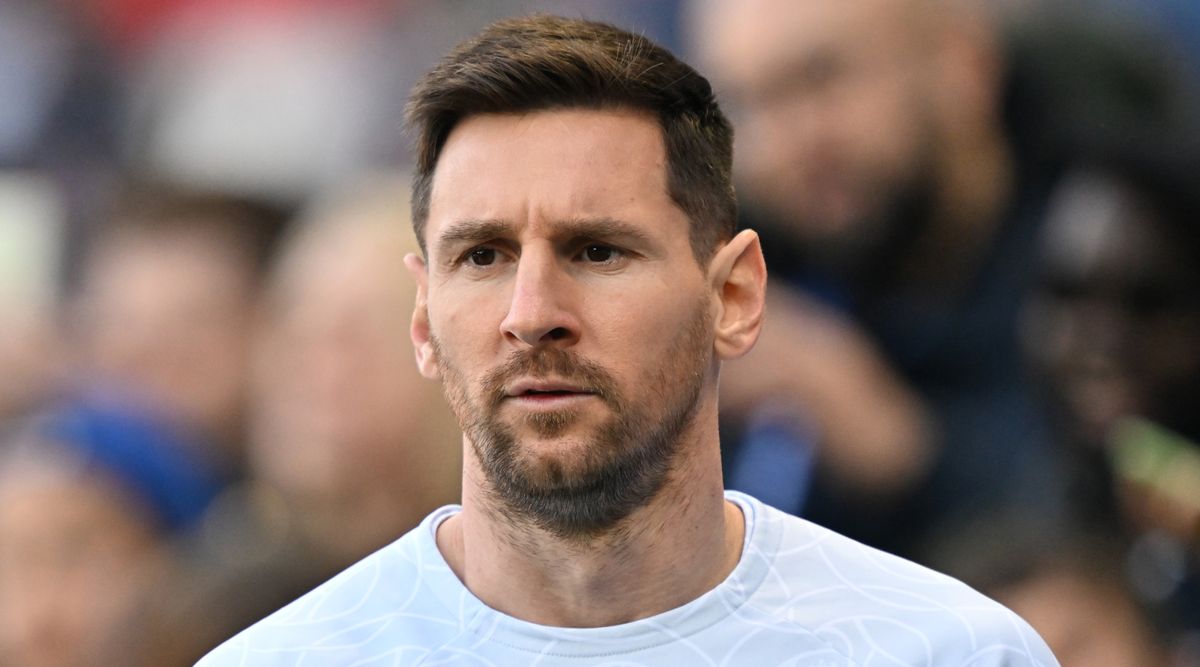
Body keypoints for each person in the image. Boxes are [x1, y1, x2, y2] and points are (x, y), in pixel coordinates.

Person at [200, 15, 1057, 665]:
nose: (532, 311)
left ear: (733, 295)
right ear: (424, 319)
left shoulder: (948, 652)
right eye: (484, 255)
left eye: (597, 249)